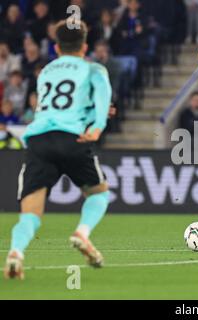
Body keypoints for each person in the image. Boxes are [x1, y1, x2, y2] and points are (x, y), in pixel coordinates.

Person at [4, 20, 112, 280]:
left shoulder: (46, 72)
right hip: (72, 139)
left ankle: (16, 252)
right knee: (99, 195)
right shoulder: (93, 68)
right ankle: (81, 233)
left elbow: (56, 108)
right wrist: (97, 124)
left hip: (39, 140)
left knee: (30, 213)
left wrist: (87, 112)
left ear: (56, 47)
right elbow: (102, 95)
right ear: (84, 47)